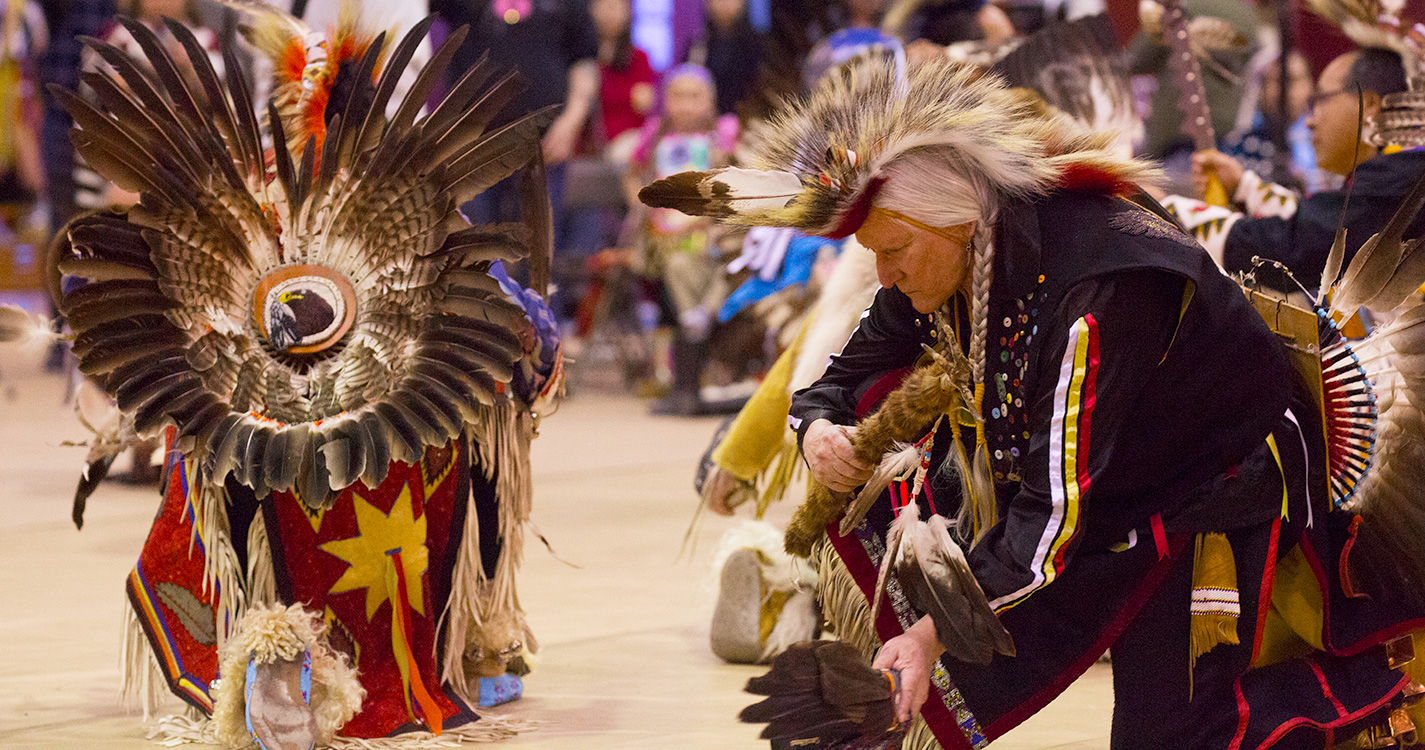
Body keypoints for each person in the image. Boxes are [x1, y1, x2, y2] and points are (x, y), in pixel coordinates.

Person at [642, 55, 1425, 749]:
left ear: (948, 226)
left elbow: (1051, 521)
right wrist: (815, 428)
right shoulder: (951, 252)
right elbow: (839, 375)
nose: (885, 275)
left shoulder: (1096, 293)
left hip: (1212, 488)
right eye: (874, 255)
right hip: (1112, 482)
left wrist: (925, 636)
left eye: (893, 252)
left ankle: (1362, 704)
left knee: (1173, 734)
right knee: (965, 641)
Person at [49, 9, 563, 746]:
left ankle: (457, 627)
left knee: (480, 401)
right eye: (307, 103)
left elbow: (499, 328)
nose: (313, 119)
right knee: (213, 444)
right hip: (272, 446)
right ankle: (275, 649)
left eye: (326, 101)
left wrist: (520, 343)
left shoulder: (410, 202)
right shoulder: (254, 202)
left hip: (401, 451)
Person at [1167, 47, 1425, 294]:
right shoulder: (1399, 172)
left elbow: (1300, 245)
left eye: (1319, 100)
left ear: (1368, 103)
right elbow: (1321, 224)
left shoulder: (1407, 173)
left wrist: (1165, 213)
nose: (1310, 120)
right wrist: (1243, 187)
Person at [625, 64, 738, 415]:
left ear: (710, 100)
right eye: (678, 96)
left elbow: (740, 183)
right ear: (665, 100)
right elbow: (632, 172)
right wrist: (642, 203)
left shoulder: (725, 133)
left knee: (697, 275)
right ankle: (680, 374)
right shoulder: (655, 134)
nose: (686, 105)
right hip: (663, 239)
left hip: (713, 237)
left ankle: (694, 376)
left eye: (695, 96)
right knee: (673, 284)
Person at [682, 0, 764, 116]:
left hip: (748, 117)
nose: (724, 4)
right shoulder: (699, 43)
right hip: (707, 120)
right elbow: (688, 79)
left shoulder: (758, 44)